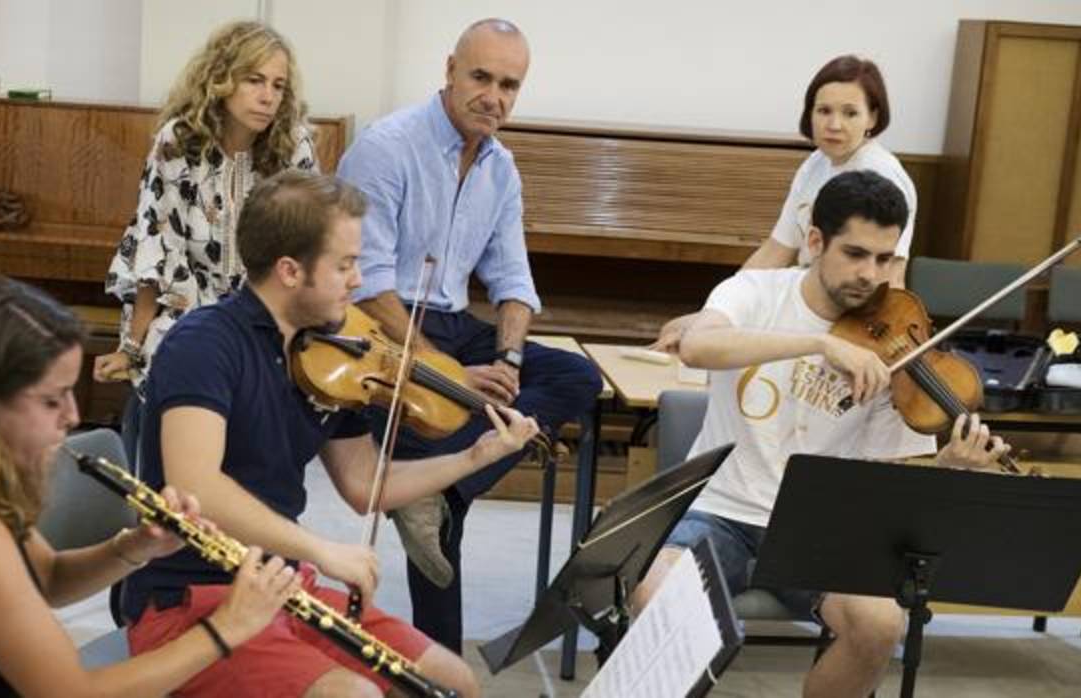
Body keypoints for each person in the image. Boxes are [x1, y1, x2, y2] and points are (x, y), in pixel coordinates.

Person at [124, 170, 537, 697]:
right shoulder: (204, 344)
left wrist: (477, 456)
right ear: (291, 271)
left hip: (281, 587)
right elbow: (195, 487)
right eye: (344, 265)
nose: (359, 280)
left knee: (452, 681)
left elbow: (367, 485)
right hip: (190, 599)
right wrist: (321, 549)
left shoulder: (329, 355)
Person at [633, 171, 1011, 698]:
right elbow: (698, 347)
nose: (870, 274)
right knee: (654, 595)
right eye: (854, 254)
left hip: (819, 526)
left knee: (880, 624)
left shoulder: (897, 344)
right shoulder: (754, 291)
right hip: (720, 510)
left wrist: (950, 467)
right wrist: (819, 345)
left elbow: (888, 481)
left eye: (883, 259)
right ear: (814, 242)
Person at [0, 275, 300, 697]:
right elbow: (73, 693)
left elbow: (45, 578)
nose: (71, 415)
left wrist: (135, 547)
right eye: (51, 399)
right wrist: (227, 628)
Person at [336, 18, 602, 653]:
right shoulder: (386, 146)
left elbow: (513, 280)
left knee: (575, 376)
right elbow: (367, 284)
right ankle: (441, 659)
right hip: (383, 327)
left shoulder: (500, 166)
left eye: (510, 85)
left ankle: (444, 490)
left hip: (456, 324)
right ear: (450, 70)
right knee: (438, 509)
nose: (495, 97)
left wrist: (507, 358)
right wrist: (451, 375)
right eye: (481, 77)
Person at [95, 20, 319, 467]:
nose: (267, 96)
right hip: (187, 304)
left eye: (277, 85)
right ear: (221, 78)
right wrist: (132, 348)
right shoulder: (178, 142)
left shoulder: (293, 145)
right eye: (254, 80)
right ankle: (152, 502)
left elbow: (306, 246)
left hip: (264, 314)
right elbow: (156, 245)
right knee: (163, 368)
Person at [652, 55, 916, 354]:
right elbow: (775, 250)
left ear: (872, 118)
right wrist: (721, 311)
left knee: (695, 340)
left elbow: (891, 280)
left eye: (850, 113)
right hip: (801, 293)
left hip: (841, 312)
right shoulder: (816, 163)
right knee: (675, 328)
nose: (834, 124)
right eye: (824, 111)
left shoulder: (883, 177)